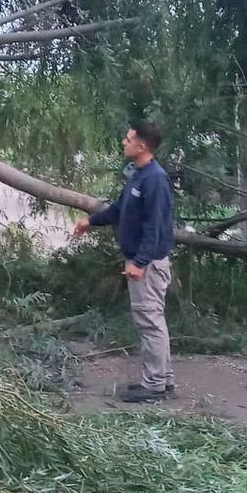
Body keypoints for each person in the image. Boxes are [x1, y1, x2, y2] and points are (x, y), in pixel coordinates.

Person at [72, 120, 176, 403]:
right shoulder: (138, 176)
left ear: (142, 146)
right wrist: (90, 221)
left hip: (149, 265)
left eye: (128, 139)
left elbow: (155, 227)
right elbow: (119, 209)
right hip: (143, 261)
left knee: (150, 323)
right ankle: (162, 380)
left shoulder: (155, 179)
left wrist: (140, 263)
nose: (123, 141)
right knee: (153, 321)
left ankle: (154, 386)